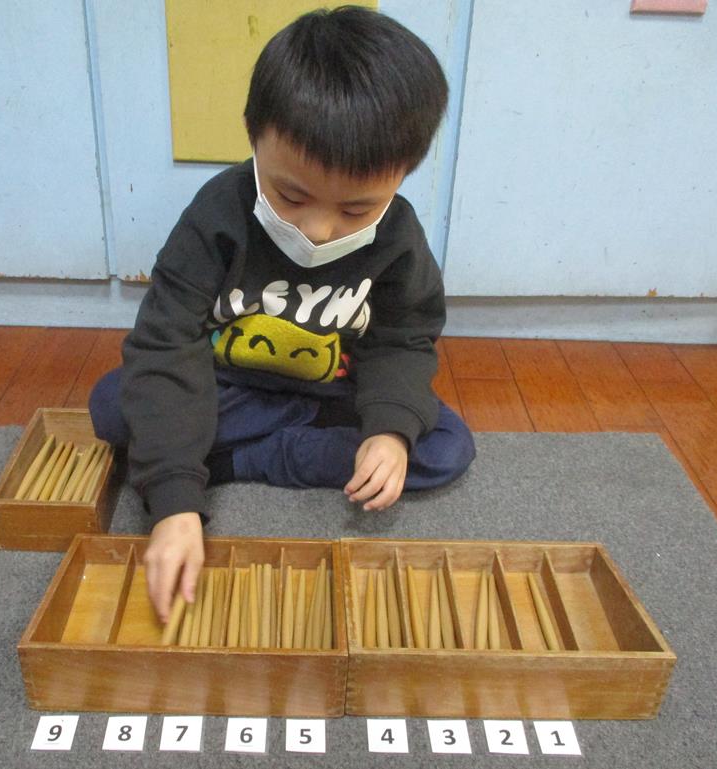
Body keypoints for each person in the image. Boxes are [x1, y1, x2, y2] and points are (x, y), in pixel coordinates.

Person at [89, 6, 476, 623]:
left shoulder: (400, 239)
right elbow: (166, 343)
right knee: (113, 405)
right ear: (253, 136)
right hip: (229, 384)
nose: (319, 230)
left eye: (356, 210)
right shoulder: (216, 215)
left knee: (445, 445)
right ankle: (215, 456)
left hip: (327, 389)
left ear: (404, 173)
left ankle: (235, 460)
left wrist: (388, 433)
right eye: (292, 195)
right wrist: (173, 504)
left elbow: (404, 339)